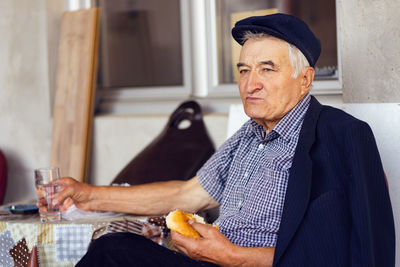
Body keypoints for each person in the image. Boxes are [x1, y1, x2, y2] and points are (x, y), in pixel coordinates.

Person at [44, 13, 395, 267]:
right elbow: (186, 195)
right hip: (210, 262)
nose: (250, 84)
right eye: (244, 70)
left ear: (304, 80)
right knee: (115, 247)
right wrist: (87, 194)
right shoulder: (248, 135)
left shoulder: (341, 135)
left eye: (267, 69)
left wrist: (234, 257)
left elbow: (346, 251)